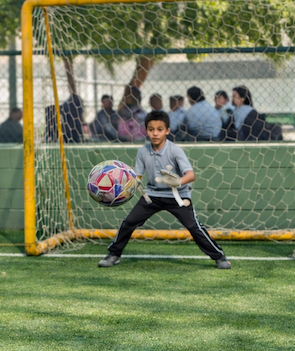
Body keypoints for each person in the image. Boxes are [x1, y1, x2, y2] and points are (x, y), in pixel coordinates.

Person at [98, 110, 230, 270]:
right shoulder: (143, 151)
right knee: (128, 222)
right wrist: (119, 189)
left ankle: (219, 256)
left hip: (177, 196)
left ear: (167, 130)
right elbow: (137, 177)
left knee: (194, 227)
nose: (155, 133)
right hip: (151, 196)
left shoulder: (175, 150)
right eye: (151, 129)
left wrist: (178, 181)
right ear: (146, 130)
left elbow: (191, 175)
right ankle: (113, 254)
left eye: (159, 129)